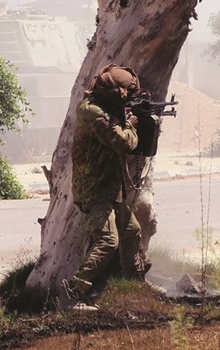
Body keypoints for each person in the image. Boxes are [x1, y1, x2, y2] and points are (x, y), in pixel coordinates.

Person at [61, 63, 148, 310]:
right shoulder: (94, 113)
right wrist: (130, 123)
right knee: (108, 241)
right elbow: (125, 143)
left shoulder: (102, 109)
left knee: (131, 232)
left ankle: (134, 285)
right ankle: (72, 294)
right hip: (95, 189)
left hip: (109, 187)